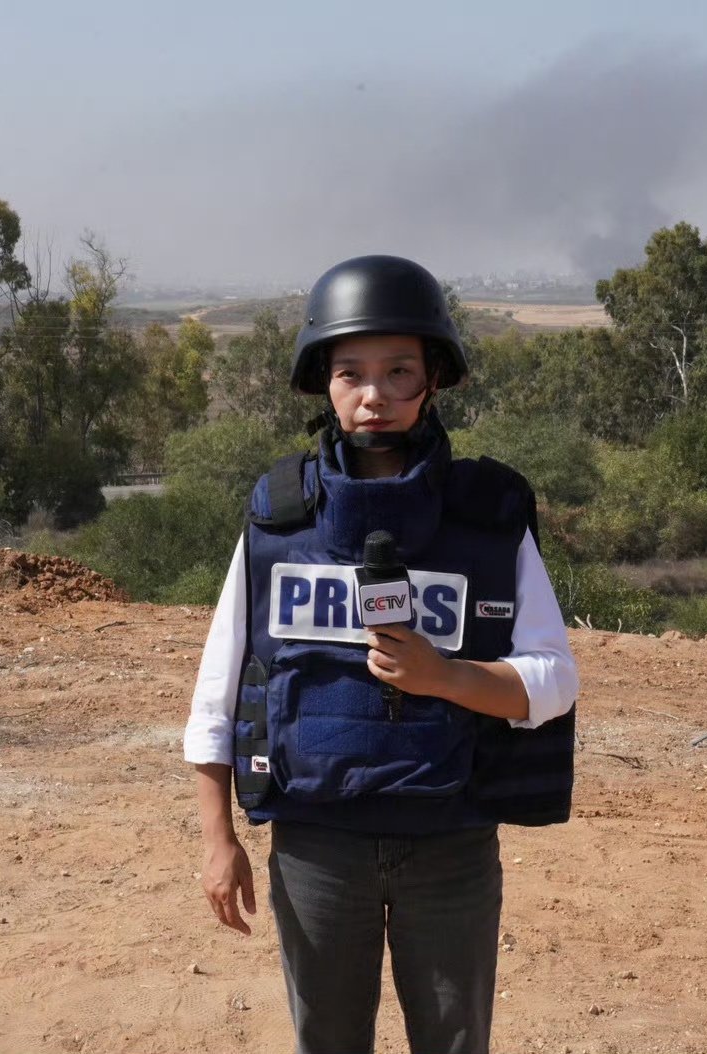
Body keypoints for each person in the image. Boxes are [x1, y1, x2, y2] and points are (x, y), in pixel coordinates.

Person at [183, 254, 581, 1054]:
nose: (374, 394)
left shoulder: (486, 518)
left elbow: (552, 681)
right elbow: (216, 694)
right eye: (351, 373)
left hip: (450, 843)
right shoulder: (279, 517)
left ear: (432, 379)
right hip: (315, 844)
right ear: (323, 385)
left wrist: (446, 677)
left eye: (398, 371)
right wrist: (217, 839)